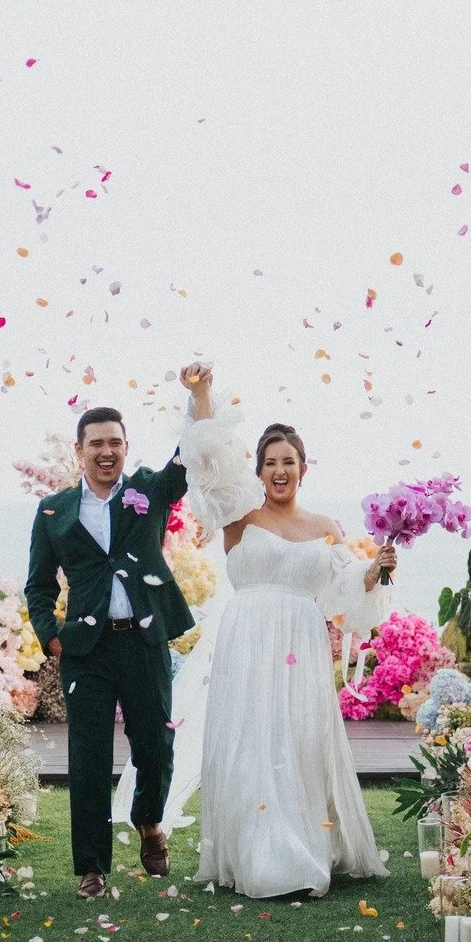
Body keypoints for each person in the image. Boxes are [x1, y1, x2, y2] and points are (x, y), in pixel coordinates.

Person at [174, 368, 394, 898]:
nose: (279, 470)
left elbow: (345, 589)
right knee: (251, 741)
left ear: (303, 469)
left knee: (298, 741)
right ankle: (261, 857)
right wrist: (202, 395)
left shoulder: (324, 527)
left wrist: (376, 569)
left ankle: (304, 846)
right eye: (270, 462)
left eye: (288, 462)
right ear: (258, 470)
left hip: (301, 641)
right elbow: (207, 458)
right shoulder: (239, 515)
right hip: (248, 641)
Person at [25, 400, 195, 898]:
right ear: (79, 452)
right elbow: (38, 585)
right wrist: (50, 634)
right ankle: (92, 868)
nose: (106, 452)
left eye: (114, 443)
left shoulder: (148, 490)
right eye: (95, 443)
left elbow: (187, 461)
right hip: (86, 651)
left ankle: (148, 823)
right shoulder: (54, 510)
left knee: (157, 748)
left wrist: (197, 398)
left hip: (143, 642)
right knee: (89, 758)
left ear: (126, 447)